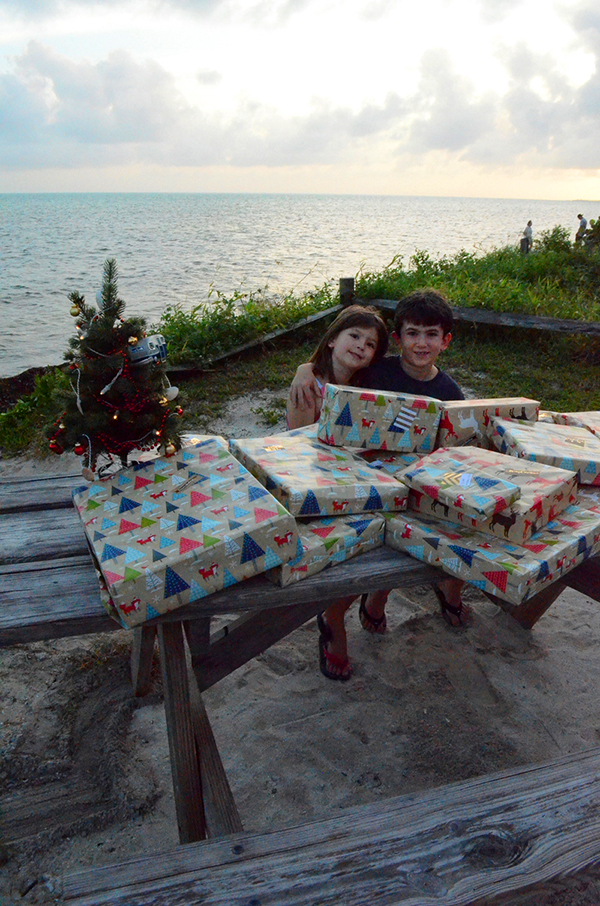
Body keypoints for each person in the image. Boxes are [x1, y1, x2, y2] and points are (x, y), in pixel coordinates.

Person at [289, 289, 468, 681]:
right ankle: (335, 613)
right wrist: (306, 367)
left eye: (432, 334)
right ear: (400, 337)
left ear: (446, 341)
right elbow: (331, 371)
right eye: (412, 333)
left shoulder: (451, 395)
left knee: (454, 530)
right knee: (365, 548)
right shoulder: (374, 372)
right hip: (363, 482)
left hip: (413, 488)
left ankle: (382, 596)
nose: (422, 343)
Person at [286, 304, 389, 429]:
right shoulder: (308, 388)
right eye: (355, 336)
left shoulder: (364, 387)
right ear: (332, 340)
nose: (361, 346)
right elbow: (297, 440)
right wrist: (304, 368)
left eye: (370, 345)